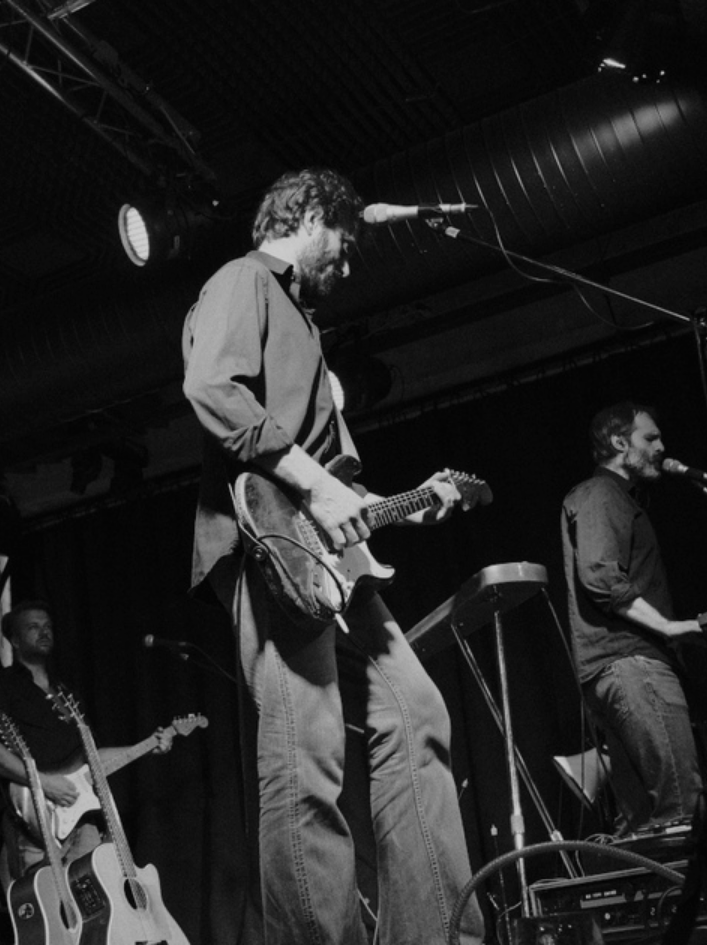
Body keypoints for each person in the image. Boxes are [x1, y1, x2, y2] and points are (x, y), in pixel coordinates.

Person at [181, 167, 488, 945]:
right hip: (272, 545)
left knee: (417, 713)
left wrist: (403, 501)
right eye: (345, 245)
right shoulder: (243, 280)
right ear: (312, 214)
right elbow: (212, 388)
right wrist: (319, 486)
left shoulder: (306, 327)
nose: (348, 267)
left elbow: (334, 485)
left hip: (330, 558)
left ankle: (438, 935)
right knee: (306, 753)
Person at [560, 401, 704, 835]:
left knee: (647, 827)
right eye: (650, 438)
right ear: (619, 443)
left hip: (617, 669)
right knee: (683, 810)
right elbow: (600, 575)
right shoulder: (601, 494)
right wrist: (669, 627)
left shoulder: (613, 499)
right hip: (633, 665)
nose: (661, 447)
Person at [0, 601, 171, 880]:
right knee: (45, 895)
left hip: (84, 815)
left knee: (93, 895)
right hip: (35, 814)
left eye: (48, 627)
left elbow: (92, 759)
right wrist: (44, 783)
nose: (44, 632)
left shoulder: (65, 694)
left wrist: (146, 747)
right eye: (33, 627)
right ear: (14, 640)